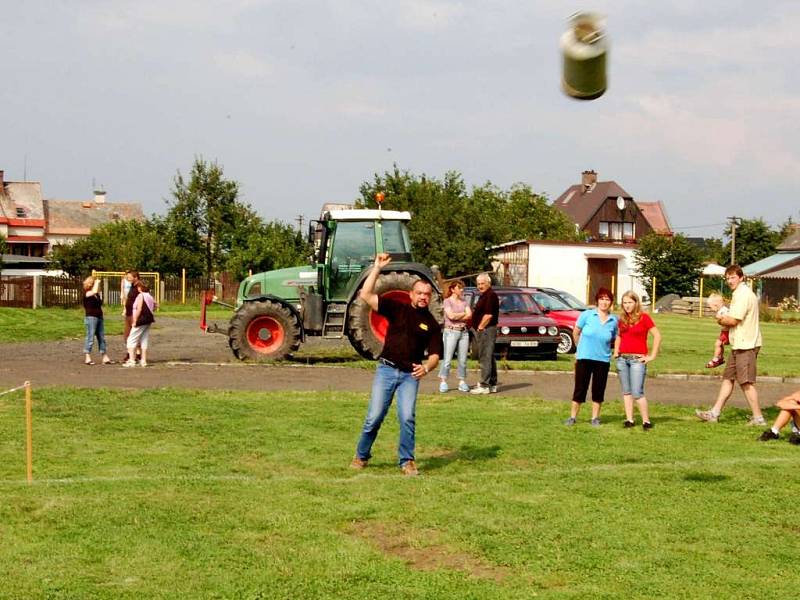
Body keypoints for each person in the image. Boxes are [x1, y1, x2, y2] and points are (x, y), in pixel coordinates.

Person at [351, 253, 442, 476]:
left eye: (427, 294)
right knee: (374, 417)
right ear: (411, 294)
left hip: (410, 375)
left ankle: (407, 461)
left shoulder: (431, 324)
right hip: (386, 369)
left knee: (407, 417)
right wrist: (376, 268)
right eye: (419, 293)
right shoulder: (397, 308)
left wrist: (426, 368)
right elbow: (366, 294)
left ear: (430, 298)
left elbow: (435, 355)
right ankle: (361, 456)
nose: (423, 297)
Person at [696, 265, 765, 425]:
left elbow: (733, 320)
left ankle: (758, 418)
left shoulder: (743, 295)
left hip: (746, 344)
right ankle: (714, 413)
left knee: (746, 382)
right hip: (738, 344)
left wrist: (719, 318)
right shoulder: (739, 293)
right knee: (728, 379)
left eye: (733, 277)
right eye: (727, 278)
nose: (729, 281)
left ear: (741, 277)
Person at [565, 287, 618, 427]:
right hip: (584, 358)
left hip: (603, 359)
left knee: (598, 389)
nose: (604, 302)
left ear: (611, 302)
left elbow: (615, 337)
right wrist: (578, 350)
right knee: (580, 388)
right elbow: (576, 333)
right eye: (602, 299)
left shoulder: (614, 320)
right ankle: (572, 417)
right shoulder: (587, 315)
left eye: (607, 299)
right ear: (597, 300)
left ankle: (595, 418)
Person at [613, 290, 661, 429]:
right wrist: (616, 351)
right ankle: (630, 420)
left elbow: (657, 336)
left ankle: (646, 421)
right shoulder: (621, 319)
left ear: (636, 303)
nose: (627, 305)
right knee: (626, 392)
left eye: (630, 302)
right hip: (623, 359)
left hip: (637, 360)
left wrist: (652, 355)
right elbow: (619, 336)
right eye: (625, 302)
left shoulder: (644, 318)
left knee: (637, 392)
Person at [438, 281, 471, 393]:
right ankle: (443, 381)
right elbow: (450, 316)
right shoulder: (447, 301)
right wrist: (462, 314)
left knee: (463, 360)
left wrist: (458, 316)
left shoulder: (464, 302)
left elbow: (469, 315)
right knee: (447, 358)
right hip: (451, 332)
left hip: (464, 332)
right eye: (459, 288)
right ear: (453, 289)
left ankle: (461, 381)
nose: (461, 290)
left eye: (462, 288)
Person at [470, 273, 499, 394]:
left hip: (486, 329)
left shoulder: (490, 296)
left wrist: (480, 327)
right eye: (478, 284)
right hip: (485, 329)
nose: (480, 286)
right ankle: (492, 383)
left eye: (482, 283)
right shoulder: (484, 295)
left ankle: (484, 385)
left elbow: (488, 315)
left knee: (484, 357)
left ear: (488, 283)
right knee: (489, 356)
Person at [82, 276, 113, 365]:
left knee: (101, 337)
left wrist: (97, 286)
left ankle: (104, 356)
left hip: (99, 316)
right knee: (90, 337)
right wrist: (96, 282)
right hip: (91, 317)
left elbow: (97, 293)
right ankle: (87, 356)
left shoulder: (96, 295)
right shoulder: (86, 293)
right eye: (92, 283)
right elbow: (94, 291)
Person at [123, 280, 156, 368]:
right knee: (144, 339)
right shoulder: (150, 296)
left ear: (140, 288)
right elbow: (155, 305)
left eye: (138, 287)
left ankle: (132, 360)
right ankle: (143, 360)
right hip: (148, 320)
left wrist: (135, 320)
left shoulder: (140, 295)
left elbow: (139, 309)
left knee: (131, 339)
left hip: (141, 320)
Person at [705, 292, 730, 368]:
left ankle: (715, 359)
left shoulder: (724, 310)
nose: (711, 309)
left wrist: (720, 317)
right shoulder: (721, 310)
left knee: (717, 344)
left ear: (715, 305)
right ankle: (720, 357)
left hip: (727, 332)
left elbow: (728, 317)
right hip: (724, 331)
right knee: (720, 344)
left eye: (711, 306)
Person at [121, 270, 140, 363]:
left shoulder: (139, 286)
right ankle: (135, 353)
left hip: (134, 314)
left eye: (129, 276)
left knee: (132, 336)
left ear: (135, 277)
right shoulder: (132, 286)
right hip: (128, 314)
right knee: (127, 335)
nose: (127, 278)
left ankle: (133, 355)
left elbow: (144, 296)